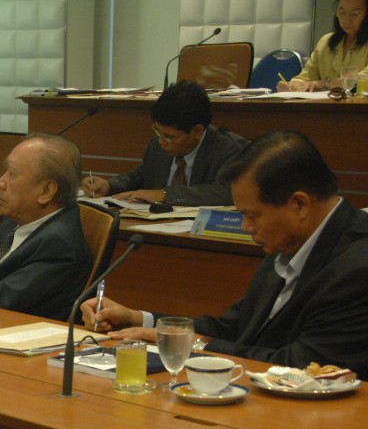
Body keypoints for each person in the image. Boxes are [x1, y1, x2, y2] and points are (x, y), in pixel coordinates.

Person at [83, 131, 368, 375]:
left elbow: (303, 365)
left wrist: (193, 343)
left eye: (252, 215)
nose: (246, 227)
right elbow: (234, 327)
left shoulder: (357, 268)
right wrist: (139, 319)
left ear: (299, 205)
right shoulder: (291, 241)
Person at [0, 133, 92, 321]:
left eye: (12, 174)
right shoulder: (17, 220)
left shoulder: (60, 246)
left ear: (46, 191)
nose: (0, 182)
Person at [81, 81, 247, 206]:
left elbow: (226, 192)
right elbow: (139, 177)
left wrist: (165, 195)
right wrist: (109, 185)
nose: (161, 141)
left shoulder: (230, 149)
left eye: (169, 136)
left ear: (197, 131)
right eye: (158, 131)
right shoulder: (158, 145)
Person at [278, 0, 368, 92]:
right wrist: (293, 85)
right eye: (341, 12)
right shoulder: (325, 42)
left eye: (355, 14)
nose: (346, 19)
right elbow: (306, 77)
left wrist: (324, 83)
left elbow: (362, 79)